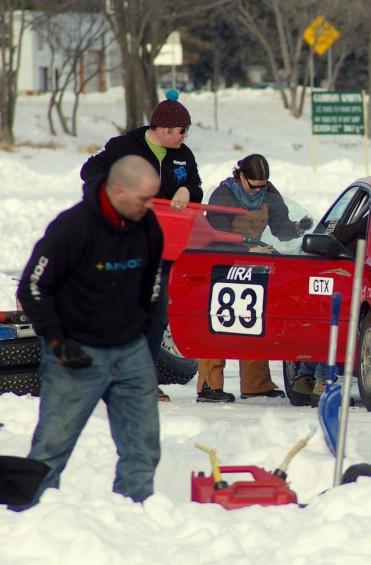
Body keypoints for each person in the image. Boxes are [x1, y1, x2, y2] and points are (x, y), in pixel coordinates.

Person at [13, 155, 163, 509]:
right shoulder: (73, 228)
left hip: (130, 351)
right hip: (75, 353)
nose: (149, 205)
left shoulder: (147, 224)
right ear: (118, 191)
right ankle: (28, 517)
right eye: (143, 198)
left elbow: (153, 279)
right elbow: (32, 288)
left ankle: (134, 512)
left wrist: (140, 326)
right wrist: (57, 342)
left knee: (143, 446)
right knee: (52, 447)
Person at [80, 89, 202, 402]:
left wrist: (188, 190)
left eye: (186, 130)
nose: (184, 136)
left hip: (164, 245)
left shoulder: (183, 156)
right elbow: (90, 172)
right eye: (180, 130)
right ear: (162, 129)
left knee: (156, 313)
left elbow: (197, 187)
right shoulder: (125, 147)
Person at [197, 154, 306, 402]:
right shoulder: (222, 195)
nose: (259, 190)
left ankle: (257, 384)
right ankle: (209, 386)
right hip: (221, 264)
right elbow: (216, 236)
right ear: (241, 176)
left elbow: (280, 227)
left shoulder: (269, 192)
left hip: (255, 263)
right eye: (254, 185)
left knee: (254, 317)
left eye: (263, 185)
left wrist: (297, 229)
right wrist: (246, 250)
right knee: (218, 321)